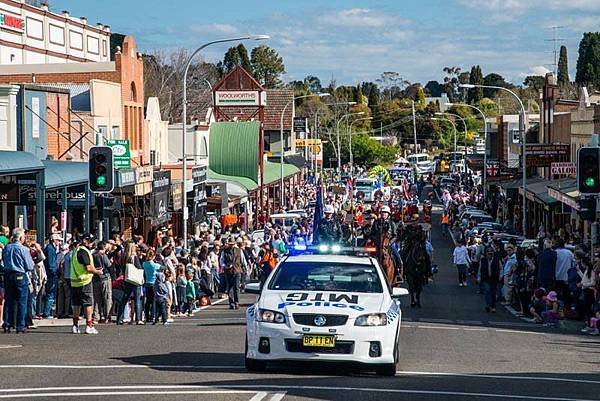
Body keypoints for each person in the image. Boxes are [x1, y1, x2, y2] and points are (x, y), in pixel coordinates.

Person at [2, 228, 35, 333]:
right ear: (20, 238)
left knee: (9, 300)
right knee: (22, 301)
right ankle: (20, 326)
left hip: (8, 274)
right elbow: (30, 265)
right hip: (20, 274)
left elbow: (3, 261)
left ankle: (7, 324)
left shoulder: (7, 248)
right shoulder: (23, 249)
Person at [70, 234, 104, 334]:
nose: (93, 244)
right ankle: (89, 325)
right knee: (88, 303)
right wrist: (98, 272)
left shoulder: (75, 250)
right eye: (91, 241)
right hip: (85, 281)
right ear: (86, 241)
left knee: (76, 304)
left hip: (74, 281)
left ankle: (75, 325)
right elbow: (88, 268)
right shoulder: (84, 252)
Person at [116, 241, 144, 325]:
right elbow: (139, 267)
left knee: (124, 299)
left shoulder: (124, 256)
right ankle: (138, 319)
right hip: (135, 279)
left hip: (127, 279)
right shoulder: (134, 257)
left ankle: (119, 318)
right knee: (137, 299)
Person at [220, 237, 247, 310]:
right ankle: (231, 303)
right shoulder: (224, 251)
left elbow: (243, 260)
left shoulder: (239, 251)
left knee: (236, 287)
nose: (231, 245)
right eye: (230, 244)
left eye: (232, 244)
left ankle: (236, 302)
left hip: (237, 270)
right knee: (230, 288)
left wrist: (245, 268)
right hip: (228, 271)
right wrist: (225, 266)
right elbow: (221, 261)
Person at [41, 234, 62, 318]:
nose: (59, 242)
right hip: (51, 275)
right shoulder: (50, 249)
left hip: (50, 273)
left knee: (50, 293)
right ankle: (47, 312)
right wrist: (55, 272)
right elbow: (51, 263)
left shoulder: (50, 248)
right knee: (50, 293)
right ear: (54, 240)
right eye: (58, 240)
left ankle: (47, 311)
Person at [92, 241, 113, 323]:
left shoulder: (93, 255)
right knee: (107, 297)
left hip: (95, 278)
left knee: (97, 299)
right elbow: (109, 265)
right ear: (104, 247)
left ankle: (96, 316)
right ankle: (107, 316)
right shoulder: (103, 255)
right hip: (104, 278)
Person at [142, 249, 160, 323]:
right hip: (153, 284)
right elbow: (163, 267)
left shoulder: (144, 264)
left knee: (148, 301)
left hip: (147, 283)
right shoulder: (155, 265)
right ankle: (153, 316)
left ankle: (147, 316)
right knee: (153, 301)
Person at [480, 247, 500, 312]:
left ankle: (493, 306)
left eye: (491, 254)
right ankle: (488, 305)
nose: (490, 255)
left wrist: (500, 275)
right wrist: (479, 276)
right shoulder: (483, 260)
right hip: (486, 278)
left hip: (494, 278)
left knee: (493, 292)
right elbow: (480, 268)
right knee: (487, 291)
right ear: (486, 254)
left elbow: (500, 268)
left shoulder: (496, 260)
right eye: (488, 254)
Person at [554, 238, 573, 303]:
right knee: (566, 295)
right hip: (566, 277)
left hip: (556, 277)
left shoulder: (554, 253)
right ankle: (566, 308)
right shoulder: (569, 252)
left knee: (557, 296)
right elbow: (574, 263)